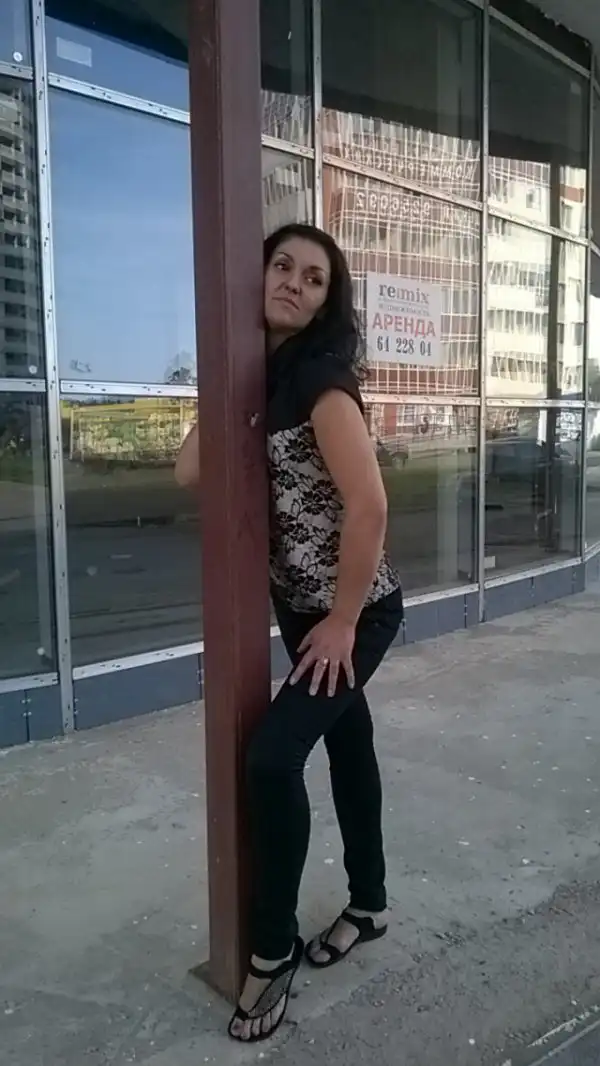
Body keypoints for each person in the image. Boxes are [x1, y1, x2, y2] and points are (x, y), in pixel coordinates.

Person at [175, 223, 404, 1043]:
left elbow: (370, 505)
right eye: (283, 266)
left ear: (326, 302)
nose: (295, 285)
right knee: (350, 744)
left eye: (314, 279)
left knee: (274, 759)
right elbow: (190, 471)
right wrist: (227, 378)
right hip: (307, 609)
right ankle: (369, 905)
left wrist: (342, 622)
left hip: (353, 613)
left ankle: (271, 953)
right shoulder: (265, 378)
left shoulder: (320, 381)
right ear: (259, 274)